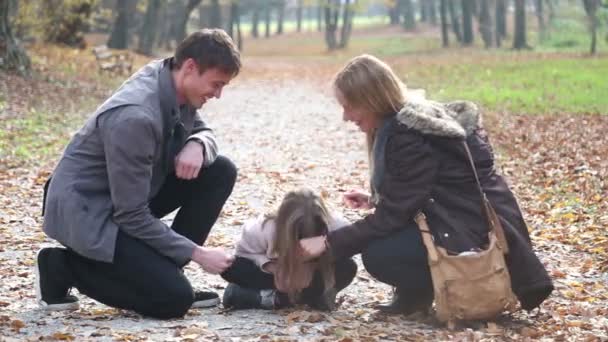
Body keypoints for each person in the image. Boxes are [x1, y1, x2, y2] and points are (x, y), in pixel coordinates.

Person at [300, 54, 553, 315]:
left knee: (380, 255)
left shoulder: (406, 136)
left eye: (349, 106)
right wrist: (376, 198)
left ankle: (436, 291)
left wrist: (329, 243)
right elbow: (427, 189)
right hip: (468, 221)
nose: (345, 116)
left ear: (371, 99)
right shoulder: (410, 119)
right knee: (387, 242)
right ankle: (417, 296)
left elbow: (393, 216)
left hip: (470, 232)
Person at [37, 29, 241, 319]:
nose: (218, 95)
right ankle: (61, 265)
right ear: (191, 68)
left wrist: (197, 143)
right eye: (216, 84)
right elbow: (130, 215)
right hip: (87, 213)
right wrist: (198, 253)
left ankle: (164, 273)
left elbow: (202, 129)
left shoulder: (171, 80)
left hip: (125, 197)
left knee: (220, 170)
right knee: (173, 300)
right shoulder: (135, 117)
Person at [220, 189, 357, 311]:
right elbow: (243, 255)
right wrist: (269, 266)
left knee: (347, 266)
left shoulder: (338, 226)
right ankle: (284, 298)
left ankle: (277, 299)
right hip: (274, 277)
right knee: (231, 267)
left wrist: (320, 256)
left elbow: (353, 245)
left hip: (313, 278)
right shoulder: (261, 228)